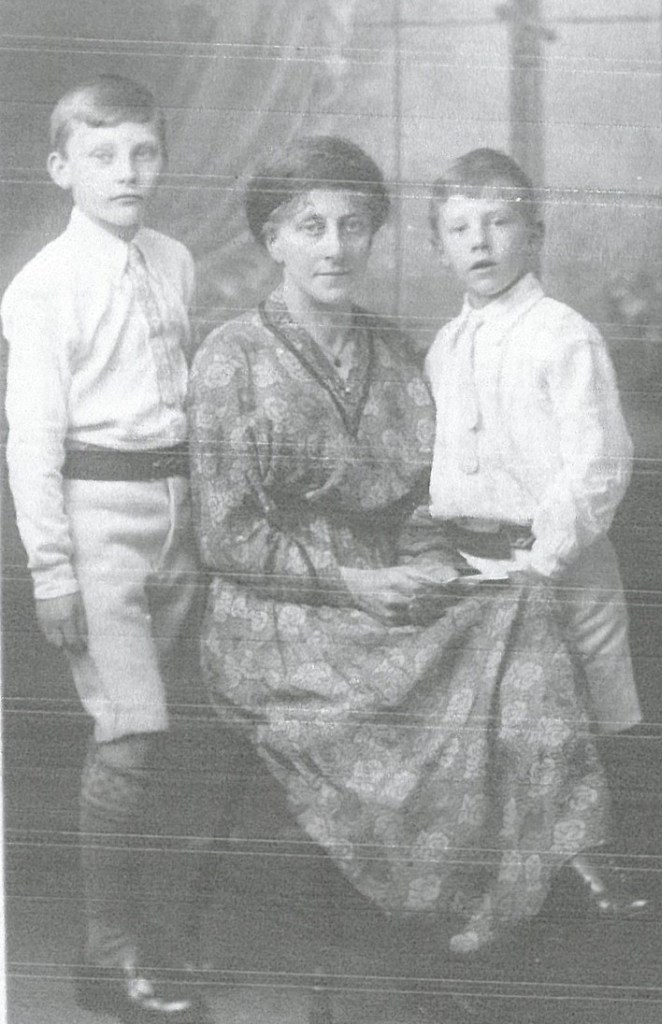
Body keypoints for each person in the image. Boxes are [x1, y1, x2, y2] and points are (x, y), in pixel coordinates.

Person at [188, 135, 617, 959]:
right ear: (272, 238)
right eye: (309, 226)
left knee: (518, 604)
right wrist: (352, 582)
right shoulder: (229, 356)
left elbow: (427, 495)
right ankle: (458, 887)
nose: (334, 246)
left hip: (387, 581)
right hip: (277, 615)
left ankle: (527, 872)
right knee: (431, 678)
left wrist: (424, 561)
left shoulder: (394, 349)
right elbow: (227, 535)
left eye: (353, 225)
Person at [2, 75, 207, 1022]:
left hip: (180, 512)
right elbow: (32, 438)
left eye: (144, 153)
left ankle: (140, 922)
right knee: (131, 732)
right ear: (60, 168)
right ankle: (105, 952)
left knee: (159, 735)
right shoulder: (43, 287)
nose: (127, 172)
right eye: (102, 154)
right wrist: (51, 568)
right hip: (98, 522)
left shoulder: (175, 258)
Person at [425, 147, 648, 909]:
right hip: (474, 568)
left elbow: (598, 464)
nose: (479, 242)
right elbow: (447, 470)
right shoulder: (444, 348)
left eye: (499, 222)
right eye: (459, 228)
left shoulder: (563, 336)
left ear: (536, 234)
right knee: (497, 730)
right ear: (438, 245)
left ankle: (599, 882)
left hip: (560, 564)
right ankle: (509, 890)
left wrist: (543, 558)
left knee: (581, 719)